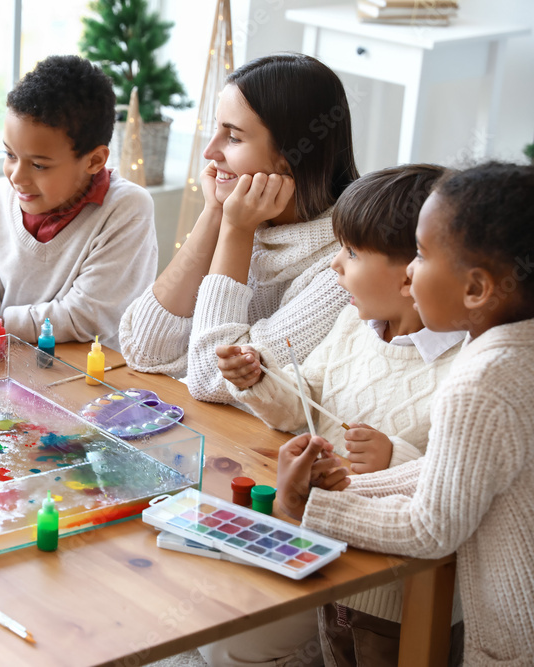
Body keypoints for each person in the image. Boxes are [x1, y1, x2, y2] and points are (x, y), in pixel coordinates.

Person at [277, 162, 534, 666]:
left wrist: (311, 508)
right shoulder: (516, 352)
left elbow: (432, 527)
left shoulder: (481, 383)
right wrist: (347, 489)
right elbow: (451, 471)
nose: (409, 272)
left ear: (476, 289)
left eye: (420, 254)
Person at [212, 164, 466, 666]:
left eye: (350, 252)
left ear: (412, 273)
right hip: (327, 553)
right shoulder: (355, 323)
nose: (334, 266)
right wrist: (259, 378)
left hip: (399, 593)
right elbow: (304, 402)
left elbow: (456, 482)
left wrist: (397, 455)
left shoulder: (465, 368)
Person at [119, 54, 358, 404]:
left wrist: (235, 230)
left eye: (232, 137)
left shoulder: (345, 265)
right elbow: (145, 349)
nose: (209, 151)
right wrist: (214, 214)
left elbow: (211, 380)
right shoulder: (249, 219)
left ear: (290, 157)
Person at [0, 54, 158, 353]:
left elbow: (84, 318)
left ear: (94, 160)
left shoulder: (127, 209)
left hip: (90, 375)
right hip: (9, 364)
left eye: (39, 165)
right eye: (10, 155)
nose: (17, 177)